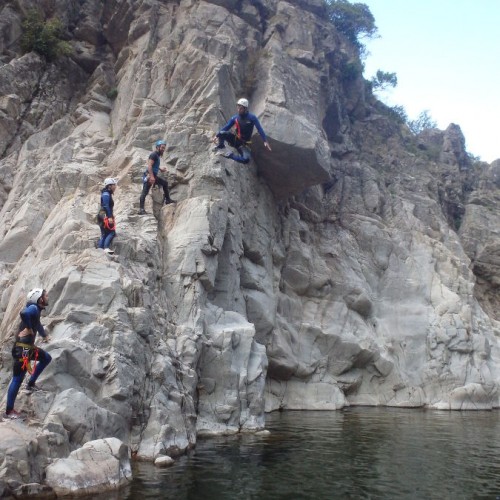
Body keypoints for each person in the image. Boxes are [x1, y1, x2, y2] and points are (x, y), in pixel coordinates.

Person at [3, 288, 52, 420]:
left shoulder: (36, 311)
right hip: (23, 350)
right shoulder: (33, 308)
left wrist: (44, 335)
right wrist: (29, 329)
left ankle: (30, 384)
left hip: (28, 348)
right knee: (17, 379)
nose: (47, 297)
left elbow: (38, 324)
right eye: (45, 296)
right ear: (39, 299)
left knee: (46, 358)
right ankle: (8, 411)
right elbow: (24, 313)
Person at [212, 98, 272, 164]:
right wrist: (217, 135)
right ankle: (221, 146)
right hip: (235, 140)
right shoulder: (235, 118)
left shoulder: (252, 117)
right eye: (238, 107)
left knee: (246, 160)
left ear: (245, 109)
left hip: (244, 144)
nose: (238, 110)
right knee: (221, 133)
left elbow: (259, 129)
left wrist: (265, 141)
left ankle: (229, 155)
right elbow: (227, 127)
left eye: (241, 108)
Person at [139, 140, 175, 215]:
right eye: (162, 147)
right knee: (145, 192)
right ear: (157, 147)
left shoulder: (157, 155)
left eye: (164, 148)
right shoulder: (154, 155)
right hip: (149, 176)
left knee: (165, 183)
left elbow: (154, 165)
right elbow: (149, 166)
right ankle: (141, 209)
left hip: (153, 175)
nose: (163, 149)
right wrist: (152, 177)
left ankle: (168, 200)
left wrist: (160, 168)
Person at [98, 177, 117, 254]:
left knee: (105, 233)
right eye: (113, 185)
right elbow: (106, 205)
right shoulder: (106, 194)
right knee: (111, 232)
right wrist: (109, 217)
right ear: (109, 186)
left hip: (103, 215)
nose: (115, 186)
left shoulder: (106, 193)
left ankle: (100, 248)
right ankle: (106, 248)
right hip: (105, 216)